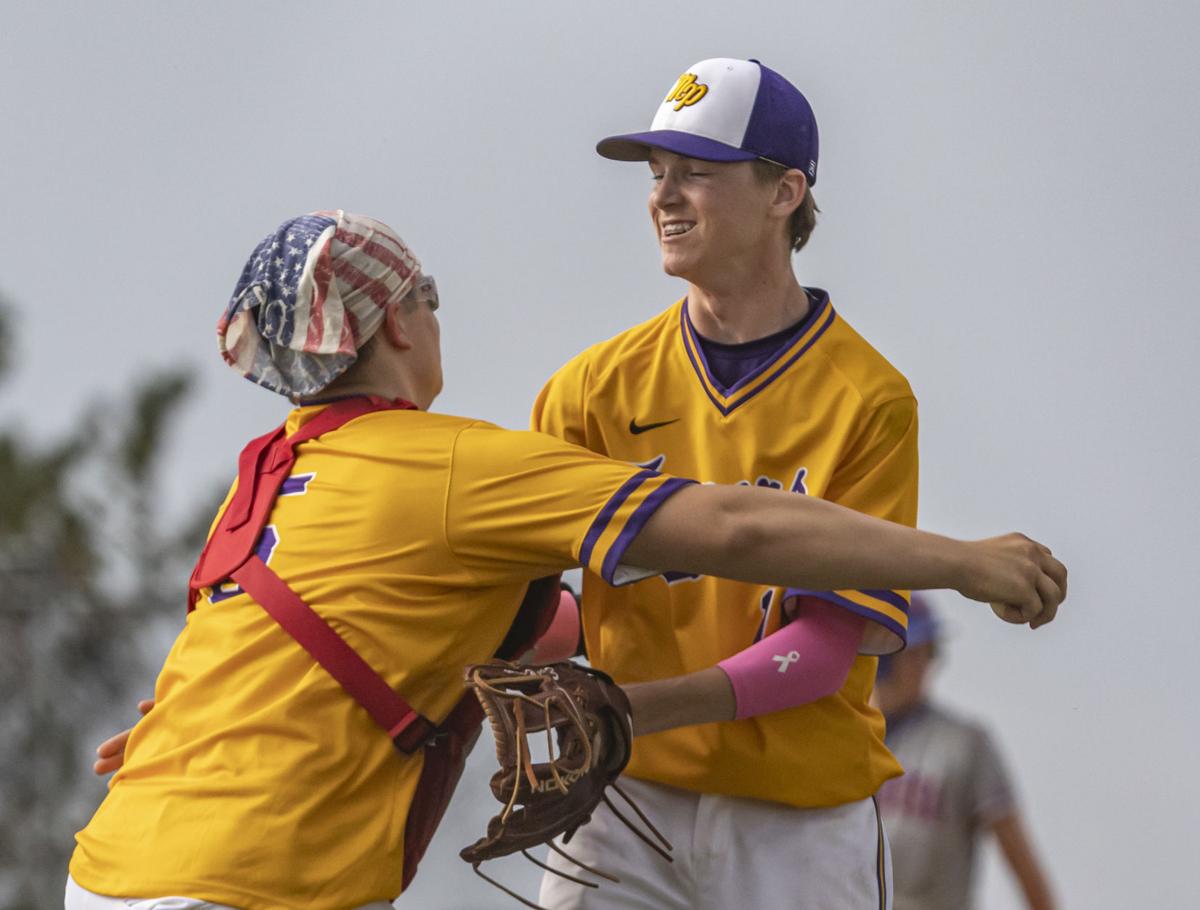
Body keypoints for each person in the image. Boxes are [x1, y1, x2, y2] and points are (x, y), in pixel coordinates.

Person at [69, 210, 1064, 910]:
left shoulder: (266, 473)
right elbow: (735, 531)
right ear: (401, 321)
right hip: (254, 884)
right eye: (430, 293)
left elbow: (488, 624)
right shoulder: (458, 466)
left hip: (113, 861)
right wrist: (963, 562)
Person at [530, 57, 1054, 909]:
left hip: (797, 823)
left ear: (785, 194)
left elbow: (826, 646)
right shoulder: (589, 390)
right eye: (658, 174)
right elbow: (550, 606)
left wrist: (634, 708)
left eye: (696, 173)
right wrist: (506, 645)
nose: (663, 196)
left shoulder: (868, 399)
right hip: (625, 799)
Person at [875, 597, 1058, 910]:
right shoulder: (843, 740)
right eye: (911, 654)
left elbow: (1019, 855)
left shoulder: (964, 742)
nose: (923, 666)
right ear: (879, 658)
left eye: (929, 653)